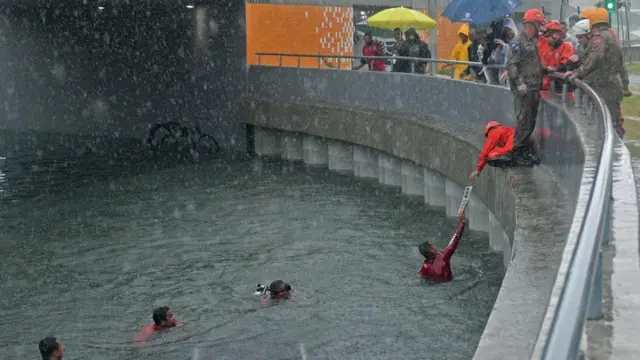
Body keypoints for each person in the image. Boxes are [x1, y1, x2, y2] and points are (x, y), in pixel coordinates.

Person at [566, 8, 625, 138]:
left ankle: (615, 151)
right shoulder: (608, 35)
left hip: (607, 86)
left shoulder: (600, 37)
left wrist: (577, 74)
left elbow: (593, 59)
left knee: (609, 123)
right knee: (610, 121)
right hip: (608, 85)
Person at [506, 8, 546, 166]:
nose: (540, 28)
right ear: (532, 24)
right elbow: (512, 64)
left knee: (530, 121)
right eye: (538, 24)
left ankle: (523, 149)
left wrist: (547, 70)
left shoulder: (531, 42)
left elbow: (534, 63)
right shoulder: (518, 41)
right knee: (524, 120)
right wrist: (519, 83)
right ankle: (517, 151)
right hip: (525, 89)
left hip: (534, 87)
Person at [418, 210, 466, 282]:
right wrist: (462, 222)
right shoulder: (442, 257)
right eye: (432, 245)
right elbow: (455, 239)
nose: (434, 246)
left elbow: (420, 277)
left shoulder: (425, 267)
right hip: (451, 284)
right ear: (430, 249)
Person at [541, 21, 575, 99]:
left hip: (564, 89)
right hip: (550, 89)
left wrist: (554, 69)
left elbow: (565, 65)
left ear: (555, 35)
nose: (545, 39)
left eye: (547, 37)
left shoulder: (566, 46)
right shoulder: (547, 50)